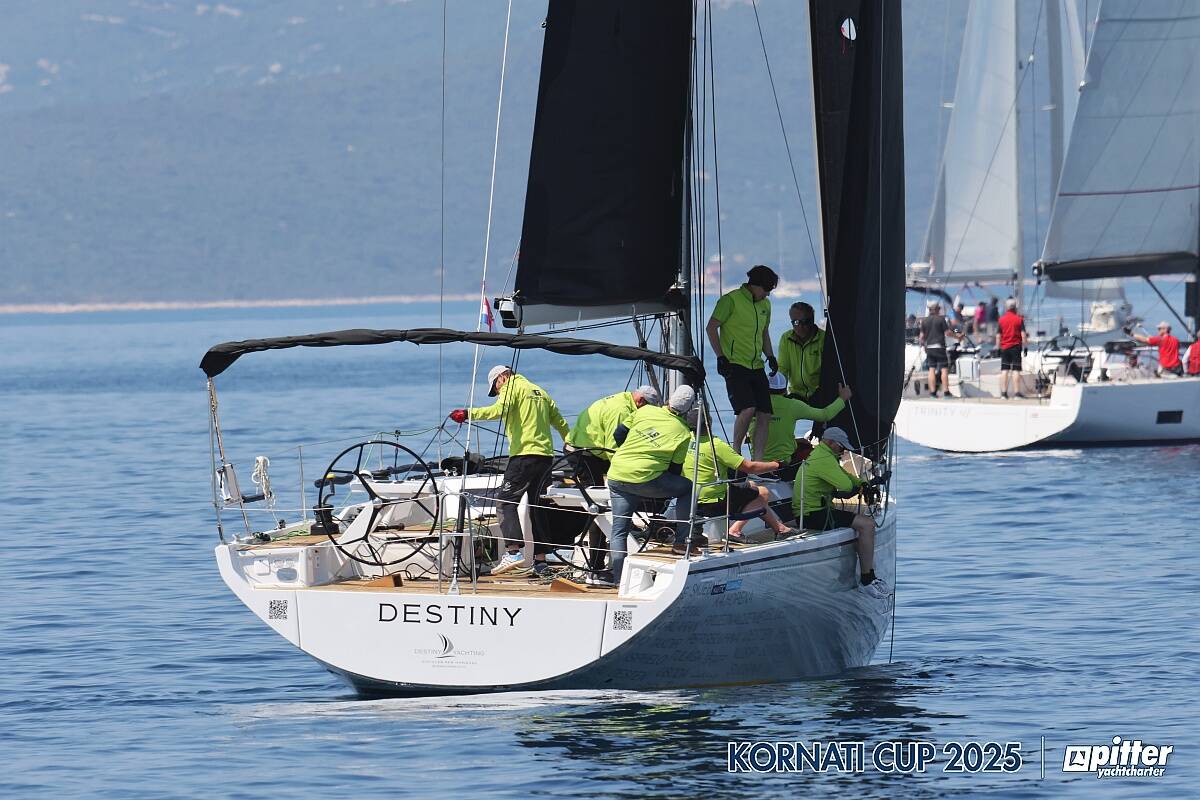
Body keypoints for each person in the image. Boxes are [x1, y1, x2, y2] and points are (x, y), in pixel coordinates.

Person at [450, 365, 569, 576]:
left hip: (523, 456)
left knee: (505, 502)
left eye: (495, 388)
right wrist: (570, 443)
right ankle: (541, 562)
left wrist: (468, 413)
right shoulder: (539, 391)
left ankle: (513, 551)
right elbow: (560, 422)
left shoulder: (511, 388)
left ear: (501, 378)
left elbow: (498, 410)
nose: (497, 392)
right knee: (538, 509)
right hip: (546, 459)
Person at [604, 386, 698, 584]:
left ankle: (618, 579)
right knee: (687, 487)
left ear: (669, 400)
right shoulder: (683, 432)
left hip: (617, 474)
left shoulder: (644, 410)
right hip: (646, 478)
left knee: (619, 531)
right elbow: (674, 469)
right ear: (688, 410)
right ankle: (681, 542)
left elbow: (618, 435)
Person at [791, 427, 888, 598]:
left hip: (813, 511)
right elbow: (845, 486)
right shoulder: (824, 459)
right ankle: (867, 579)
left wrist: (864, 483)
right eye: (841, 447)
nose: (843, 451)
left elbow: (847, 477)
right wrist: (860, 486)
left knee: (857, 522)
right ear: (830, 442)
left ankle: (862, 570)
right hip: (813, 515)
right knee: (867, 524)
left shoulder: (824, 455)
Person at [683, 407, 794, 542]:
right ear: (708, 422)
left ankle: (780, 529)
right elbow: (750, 467)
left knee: (751, 485)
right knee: (763, 492)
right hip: (715, 501)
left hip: (690, 498)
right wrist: (777, 465)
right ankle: (734, 531)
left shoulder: (685, 440)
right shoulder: (716, 445)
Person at [706, 265, 779, 460]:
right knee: (747, 409)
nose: (767, 295)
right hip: (735, 364)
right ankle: (736, 454)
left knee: (765, 414)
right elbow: (711, 328)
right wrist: (720, 357)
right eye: (766, 290)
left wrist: (771, 356)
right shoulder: (730, 300)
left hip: (757, 365)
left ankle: (758, 460)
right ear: (755, 286)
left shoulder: (765, 305)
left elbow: (764, 333)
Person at [749, 372, 852, 480]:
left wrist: (796, 441)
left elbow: (769, 432)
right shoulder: (792, 405)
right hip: (782, 466)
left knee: (802, 445)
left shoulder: (752, 404)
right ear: (785, 390)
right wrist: (842, 399)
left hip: (756, 463)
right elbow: (824, 415)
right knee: (812, 452)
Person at [564, 385, 660, 486]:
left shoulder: (626, 398)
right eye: (648, 407)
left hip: (595, 450)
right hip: (580, 451)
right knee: (595, 486)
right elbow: (613, 447)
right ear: (640, 401)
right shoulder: (621, 412)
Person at [777, 301, 825, 403]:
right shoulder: (786, 338)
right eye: (796, 322)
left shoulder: (824, 339)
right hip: (795, 395)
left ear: (812, 320)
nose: (800, 327)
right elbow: (782, 369)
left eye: (805, 322)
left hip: (820, 394)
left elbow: (829, 373)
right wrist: (780, 395)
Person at [919, 302, 962, 398]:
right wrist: (957, 336)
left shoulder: (924, 321)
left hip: (929, 348)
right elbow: (947, 333)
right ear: (937, 309)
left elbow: (921, 337)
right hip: (939, 347)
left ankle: (933, 393)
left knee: (931, 369)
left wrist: (923, 346)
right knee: (944, 369)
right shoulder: (941, 319)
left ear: (929, 310)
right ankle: (946, 392)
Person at [996, 298, 1028, 398]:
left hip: (1005, 348)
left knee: (1004, 370)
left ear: (1006, 307)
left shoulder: (1001, 319)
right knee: (1016, 370)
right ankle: (1017, 393)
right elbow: (1023, 335)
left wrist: (998, 348)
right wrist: (1025, 347)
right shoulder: (1019, 319)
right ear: (1015, 308)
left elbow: (998, 336)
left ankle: (1003, 393)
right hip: (1016, 347)